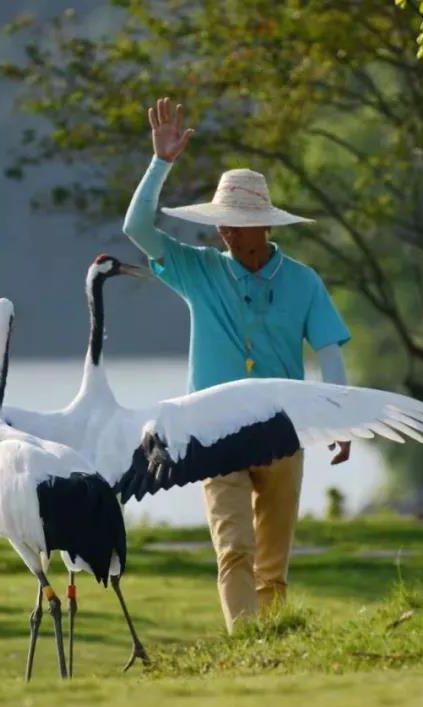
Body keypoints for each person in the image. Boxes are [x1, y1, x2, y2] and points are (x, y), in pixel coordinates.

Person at [123, 98, 352, 632]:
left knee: (273, 564)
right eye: (222, 223)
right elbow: (137, 227)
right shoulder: (196, 269)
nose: (225, 232)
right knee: (234, 550)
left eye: (237, 224)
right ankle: (246, 647)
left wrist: (341, 419)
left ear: (264, 227)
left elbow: (330, 352)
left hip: (281, 431)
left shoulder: (303, 281)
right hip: (212, 431)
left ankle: (270, 651)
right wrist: (161, 163)